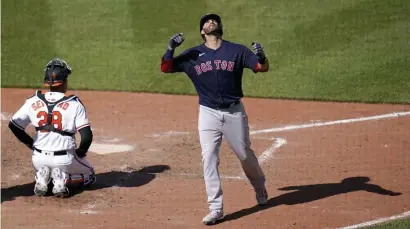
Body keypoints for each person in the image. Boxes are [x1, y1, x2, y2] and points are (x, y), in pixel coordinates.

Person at [160, 13, 270, 225]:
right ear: (202, 32)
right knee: (208, 157)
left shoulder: (236, 50)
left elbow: (261, 67)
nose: (210, 22)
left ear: (219, 27)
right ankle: (216, 208)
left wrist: (263, 57)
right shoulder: (193, 55)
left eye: (213, 21)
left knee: (245, 155)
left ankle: (259, 186)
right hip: (208, 113)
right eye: (205, 22)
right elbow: (166, 68)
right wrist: (170, 48)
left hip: (234, 112)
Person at [8, 58, 96, 198]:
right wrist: (81, 151)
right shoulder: (74, 104)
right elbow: (87, 137)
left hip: (38, 158)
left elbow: (13, 125)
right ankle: (64, 179)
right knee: (90, 174)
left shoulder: (33, 101)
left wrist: (30, 143)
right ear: (64, 81)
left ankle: (42, 178)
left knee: (45, 165)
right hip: (64, 160)